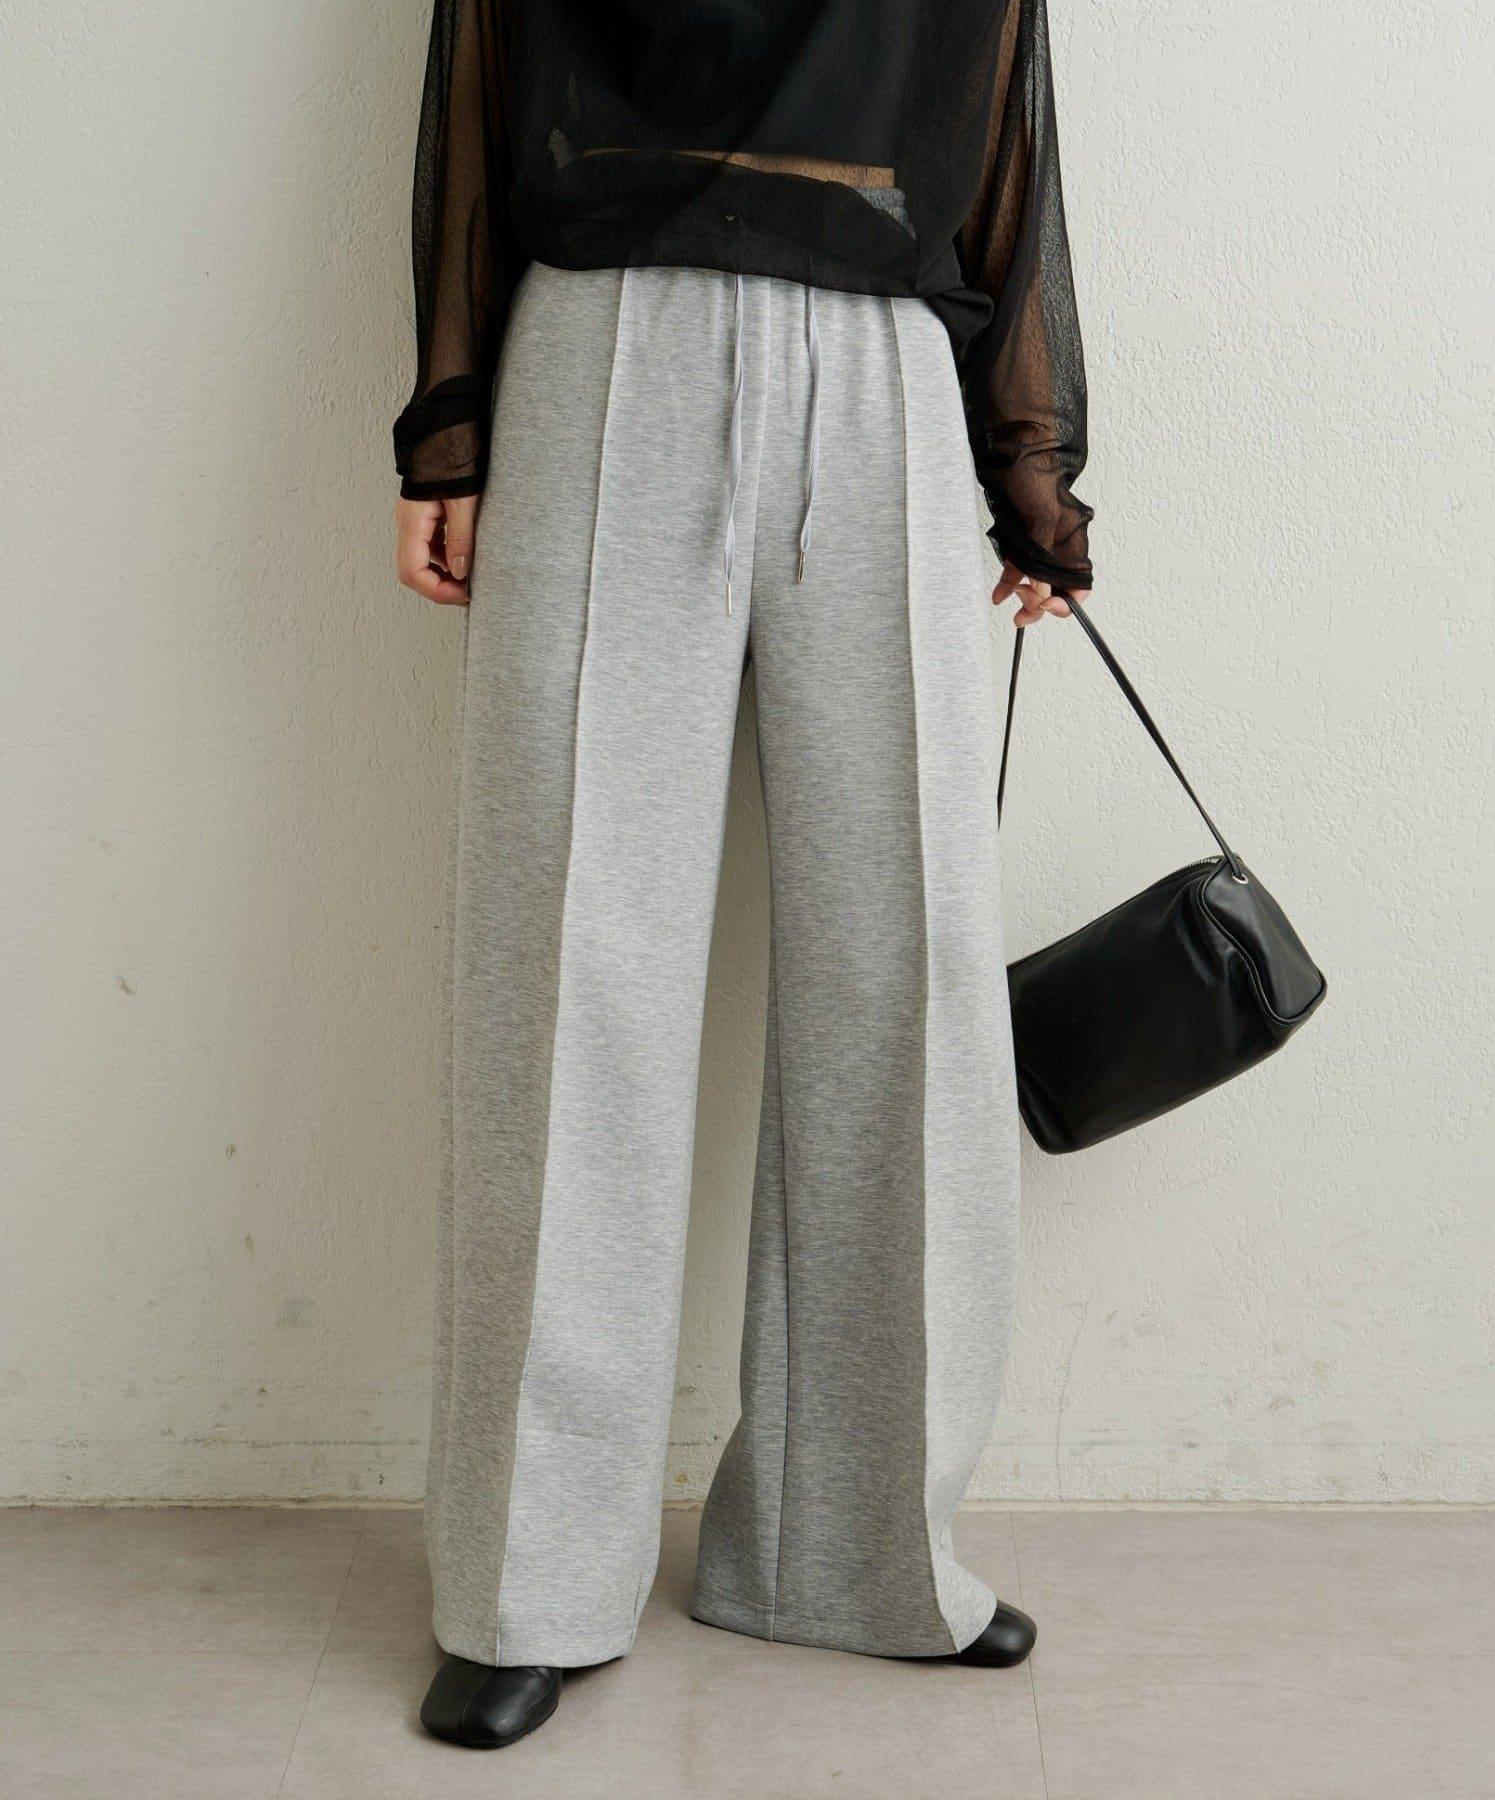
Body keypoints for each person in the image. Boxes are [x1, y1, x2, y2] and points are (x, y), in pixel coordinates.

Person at [392, 0, 1091, 1751]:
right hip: (603, 332)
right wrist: (450, 420)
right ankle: (528, 1577)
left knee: (907, 966)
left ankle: (854, 1549)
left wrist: (1030, 459)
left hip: (886, 360)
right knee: (568, 956)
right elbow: (485, 71)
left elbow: (1007, 109)